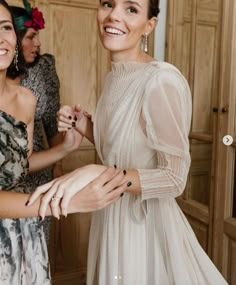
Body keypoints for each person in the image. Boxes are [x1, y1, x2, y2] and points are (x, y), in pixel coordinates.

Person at [28, 0, 229, 284]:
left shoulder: (161, 81)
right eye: (108, 3)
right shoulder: (113, 79)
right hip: (111, 211)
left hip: (144, 224)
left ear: (150, 25)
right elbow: (121, 150)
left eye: (131, 9)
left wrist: (101, 173)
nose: (114, 15)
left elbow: (174, 178)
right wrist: (83, 125)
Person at [0, 1, 128, 283]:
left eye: (5, 27)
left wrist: (66, 147)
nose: (1, 38)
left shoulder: (25, 99)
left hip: (23, 229)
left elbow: (20, 166)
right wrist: (65, 202)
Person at [6, 0, 63, 243]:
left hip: (37, 170)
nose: (37, 43)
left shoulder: (42, 71)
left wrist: (58, 168)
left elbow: (51, 123)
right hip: (6, 176)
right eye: (30, 36)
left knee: (33, 240)